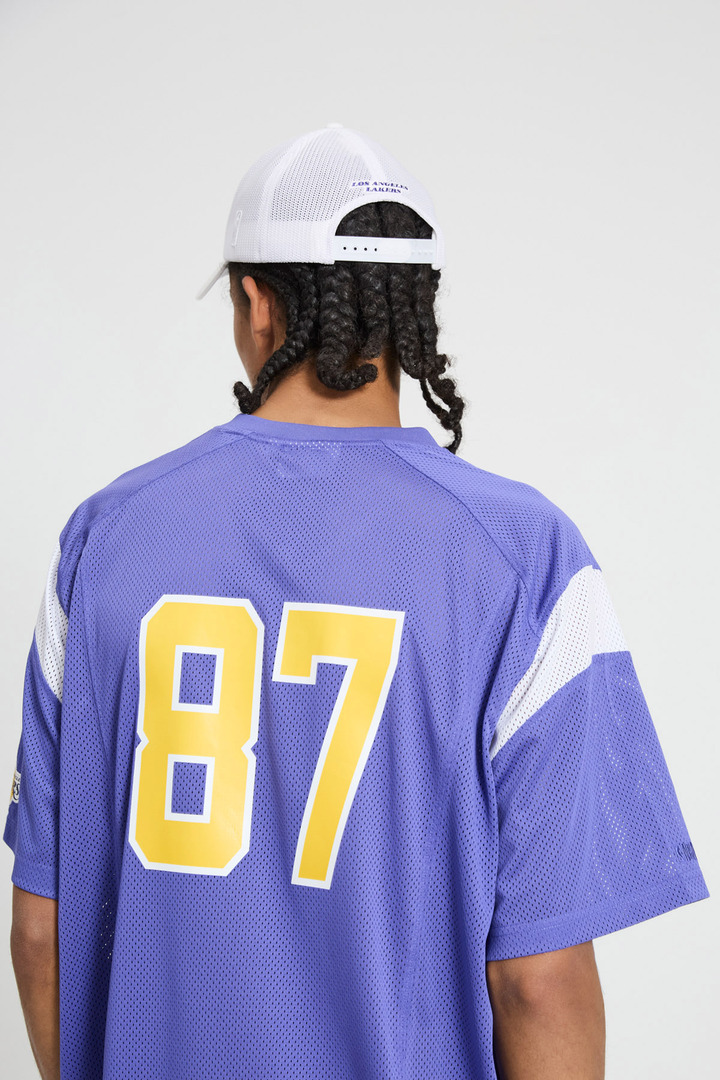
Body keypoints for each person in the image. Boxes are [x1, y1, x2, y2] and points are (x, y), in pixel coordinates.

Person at [5, 122, 709, 1080]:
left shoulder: (103, 542)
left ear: (257, 303)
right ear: (413, 311)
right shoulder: (523, 559)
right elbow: (539, 982)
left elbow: (41, 934)